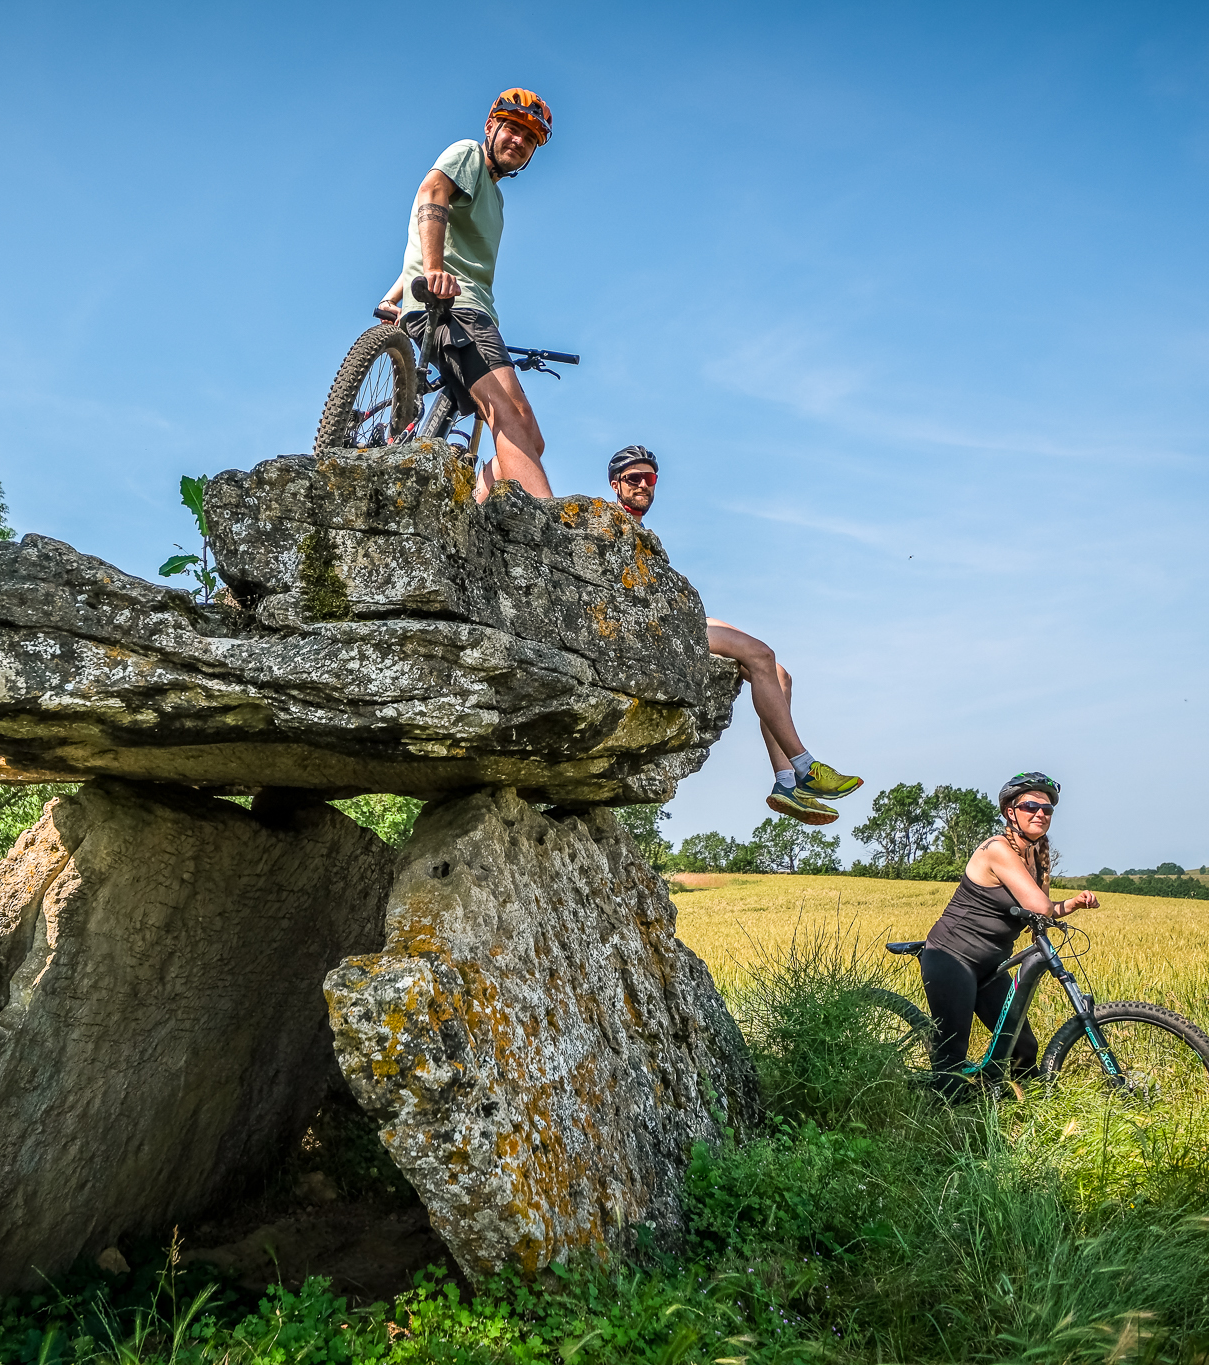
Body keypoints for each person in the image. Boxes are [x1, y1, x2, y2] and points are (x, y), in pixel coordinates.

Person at [606, 445, 861, 826]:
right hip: (645, 627)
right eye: (634, 479)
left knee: (779, 673)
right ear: (616, 485)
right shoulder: (607, 521)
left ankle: (786, 783)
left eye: (650, 478)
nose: (644, 485)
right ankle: (805, 766)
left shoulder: (641, 530)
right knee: (759, 653)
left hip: (670, 615)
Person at [375, 90, 555, 502]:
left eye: (529, 139)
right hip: (456, 308)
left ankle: (472, 510)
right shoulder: (468, 155)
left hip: (473, 311)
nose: (519, 142)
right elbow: (431, 193)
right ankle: (555, 541)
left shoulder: (497, 198)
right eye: (512, 129)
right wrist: (434, 273)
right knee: (510, 417)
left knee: (530, 436)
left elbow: (432, 249)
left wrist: (392, 298)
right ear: (490, 127)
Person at [916, 773, 1099, 1098]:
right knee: (952, 1055)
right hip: (951, 957)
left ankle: (999, 1104)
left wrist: (1072, 904)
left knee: (1022, 1047)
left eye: (1047, 809)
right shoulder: (997, 849)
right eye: (1031, 806)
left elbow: (1037, 916)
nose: (1040, 813)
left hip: (990, 964)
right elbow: (1040, 906)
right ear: (1010, 812)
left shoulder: (1037, 854)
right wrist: (1050, 907)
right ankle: (939, 1122)